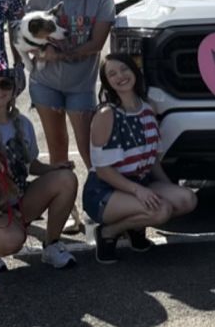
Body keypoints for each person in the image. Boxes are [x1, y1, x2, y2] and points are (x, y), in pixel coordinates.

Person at [0, 55, 79, 272]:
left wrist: (52, 168)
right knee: (11, 242)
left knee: (66, 179)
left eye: (5, 84)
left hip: (19, 197)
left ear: (13, 90)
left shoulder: (22, 123)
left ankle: (52, 245)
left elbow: (29, 165)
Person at [82, 53, 198, 263]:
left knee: (187, 199)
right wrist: (139, 191)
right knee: (161, 211)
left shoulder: (148, 108)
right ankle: (108, 233)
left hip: (138, 184)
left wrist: (168, 188)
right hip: (104, 191)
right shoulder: (106, 114)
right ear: (107, 82)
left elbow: (153, 160)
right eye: (112, 74)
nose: (120, 76)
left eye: (124, 69)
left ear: (134, 71)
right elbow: (103, 171)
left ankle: (135, 227)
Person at [26, 0, 115, 172]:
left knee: (89, 150)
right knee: (57, 150)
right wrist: (41, 51)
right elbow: (25, 37)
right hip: (45, 82)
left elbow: (96, 44)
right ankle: (62, 205)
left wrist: (60, 55)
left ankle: (100, 198)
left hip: (81, 83)